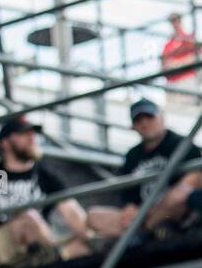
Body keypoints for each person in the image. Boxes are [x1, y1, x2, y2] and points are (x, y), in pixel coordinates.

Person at [0, 115, 91, 268]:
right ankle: (55, 260)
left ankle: (53, 260)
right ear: (5, 143)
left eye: (33, 134)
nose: (32, 138)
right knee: (28, 217)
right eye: (24, 134)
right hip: (2, 250)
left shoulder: (43, 175)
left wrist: (90, 237)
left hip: (39, 247)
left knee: (83, 245)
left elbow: (72, 212)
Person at [86, 99, 202, 242]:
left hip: (172, 211)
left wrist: (145, 211)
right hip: (141, 215)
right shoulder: (132, 155)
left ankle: (141, 234)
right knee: (93, 215)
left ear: (161, 117)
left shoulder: (182, 144)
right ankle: (147, 231)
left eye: (149, 117)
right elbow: (128, 195)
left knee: (179, 195)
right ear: (133, 126)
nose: (144, 123)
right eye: (138, 120)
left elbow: (192, 181)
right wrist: (130, 210)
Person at [161, 12, 201, 111]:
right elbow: (164, 65)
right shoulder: (168, 44)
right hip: (172, 83)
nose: (174, 23)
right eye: (172, 21)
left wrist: (176, 63)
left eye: (176, 20)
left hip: (187, 80)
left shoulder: (189, 39)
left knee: (189, 109)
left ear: (180, 20)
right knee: (173, 111)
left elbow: (196, 58)